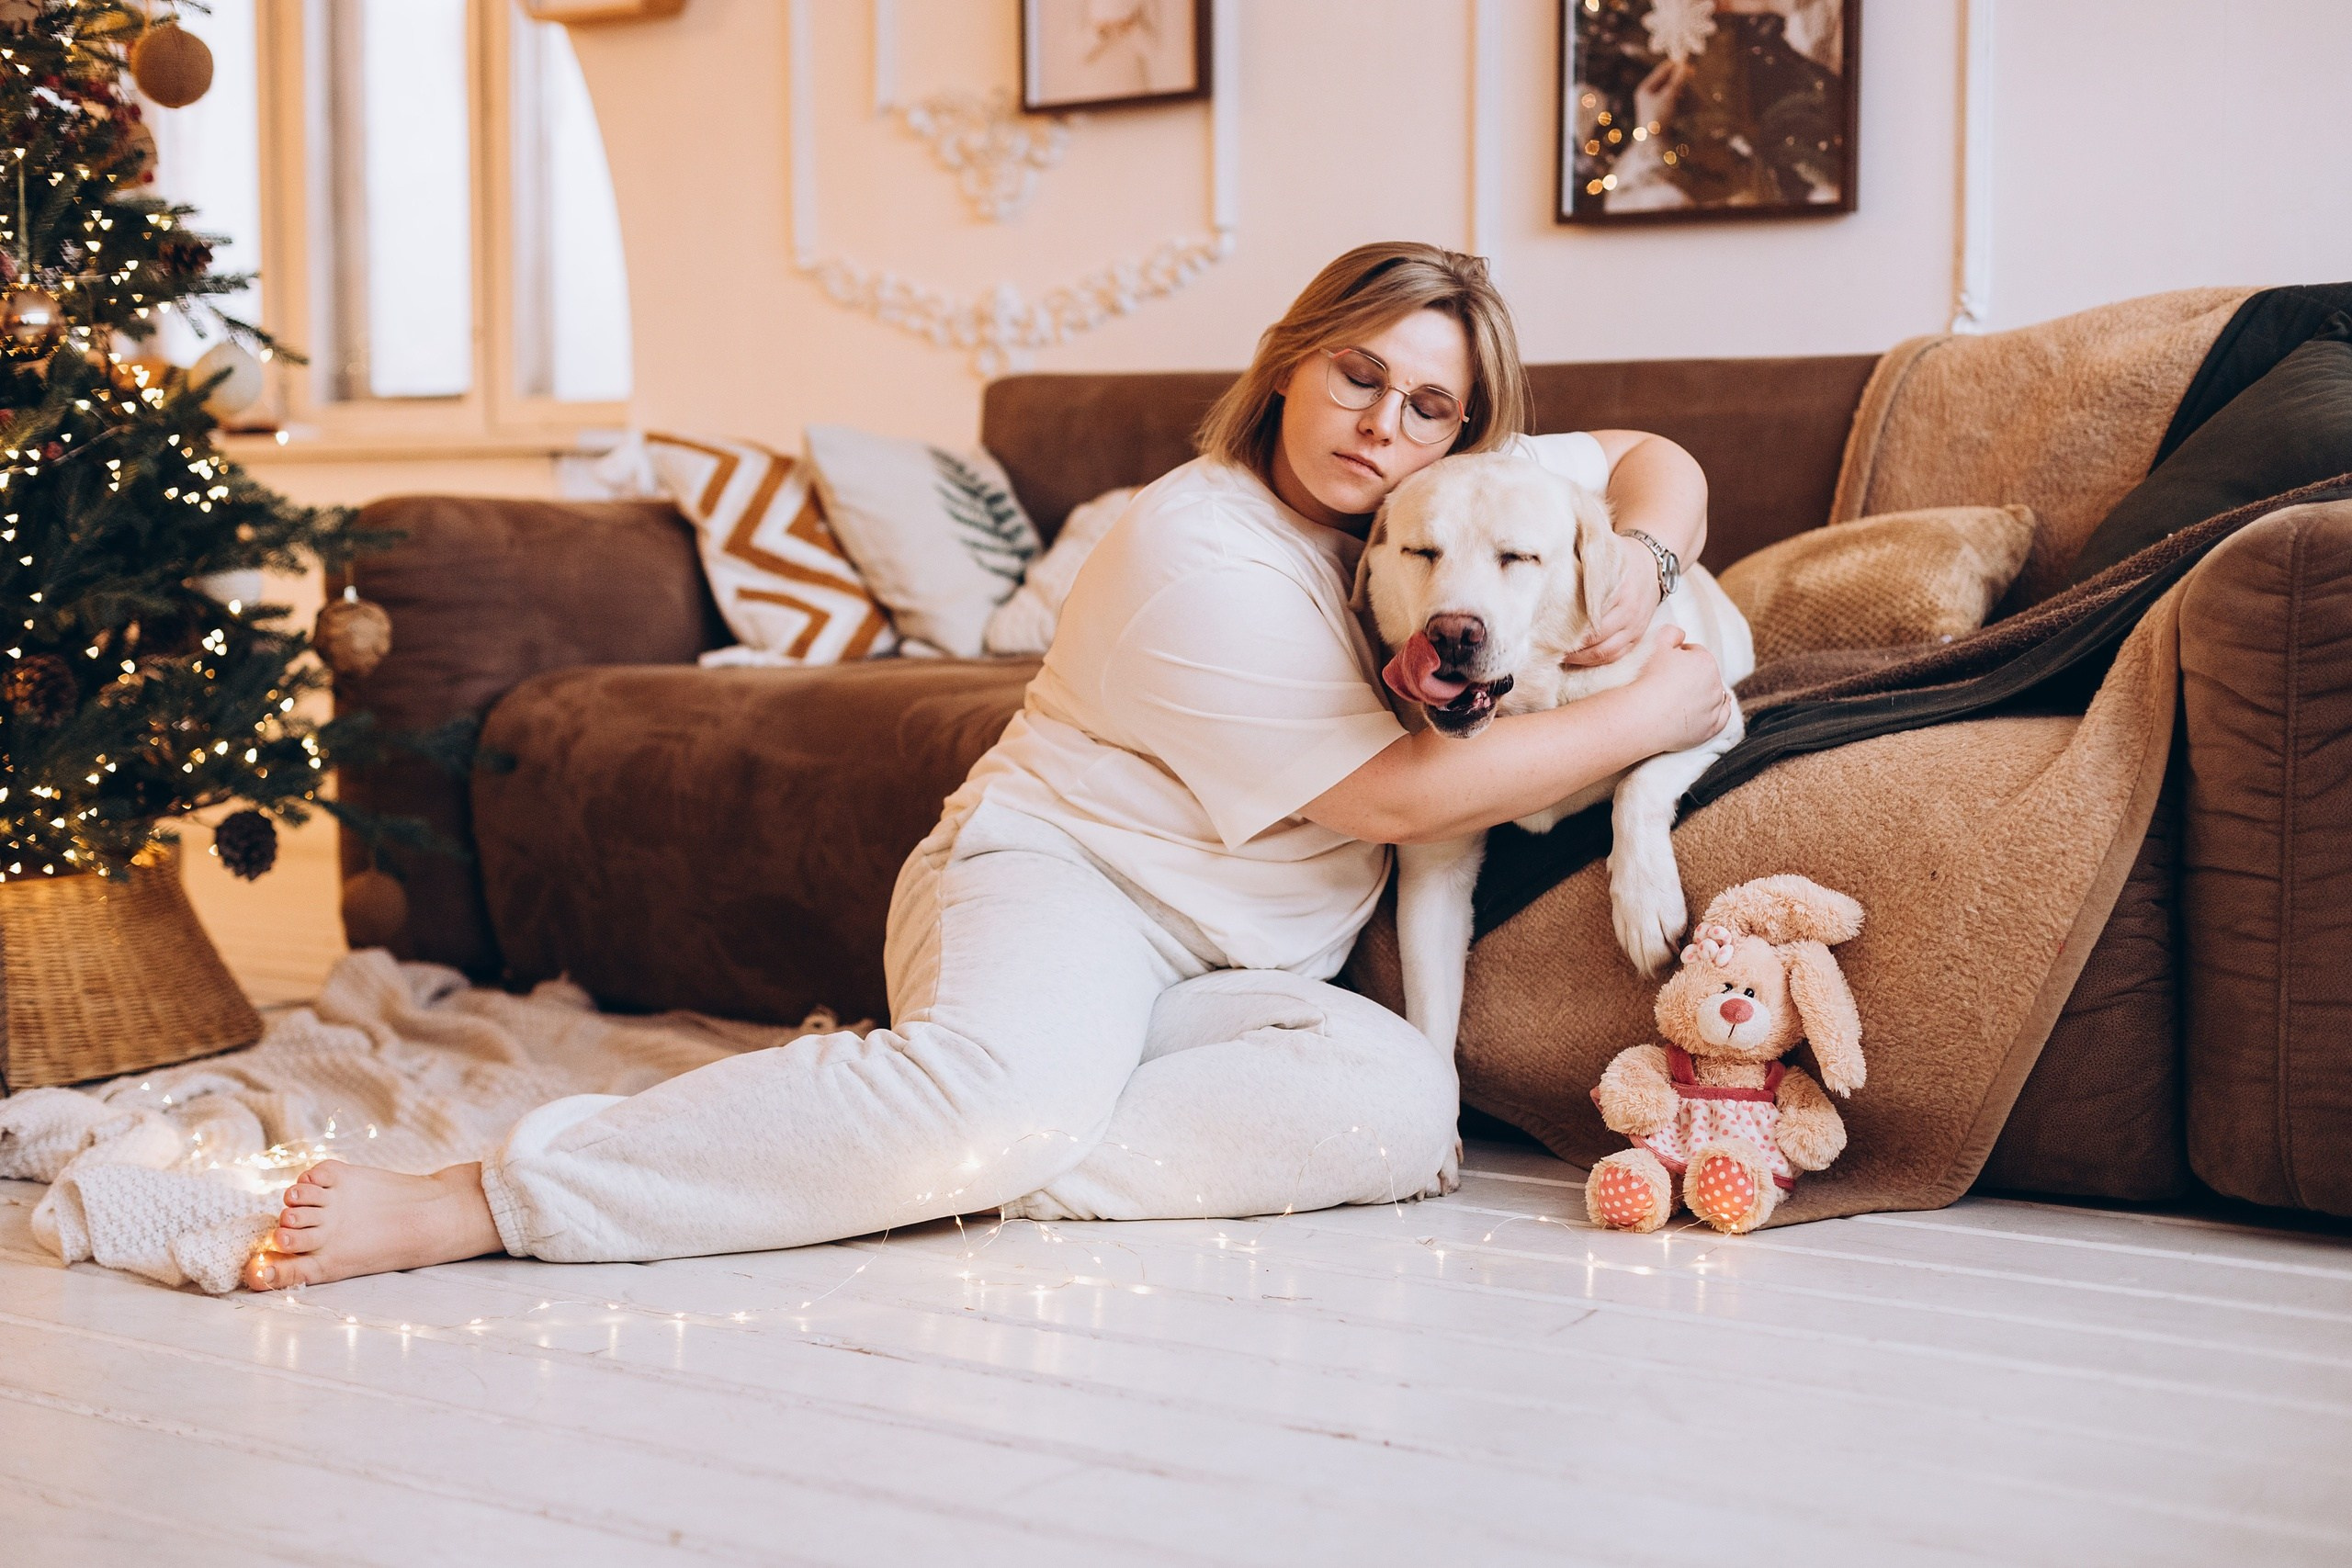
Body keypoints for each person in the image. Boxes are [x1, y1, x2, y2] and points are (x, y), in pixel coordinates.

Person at [243, 242, 1729, 1290]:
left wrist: (1647, 564)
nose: (1384, 425)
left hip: (1240, 971)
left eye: (1430, 408)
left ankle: (894, 1147)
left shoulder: (1452, 510)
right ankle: (491, 1198)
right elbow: (1397, 799)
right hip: (1066, 884)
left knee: (1400, 1110)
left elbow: (1657, 460)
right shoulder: (1193, 544)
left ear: (1470, 432)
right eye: (1358, 375)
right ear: (1290, 365)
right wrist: (1656, 706)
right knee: (996, 1098)